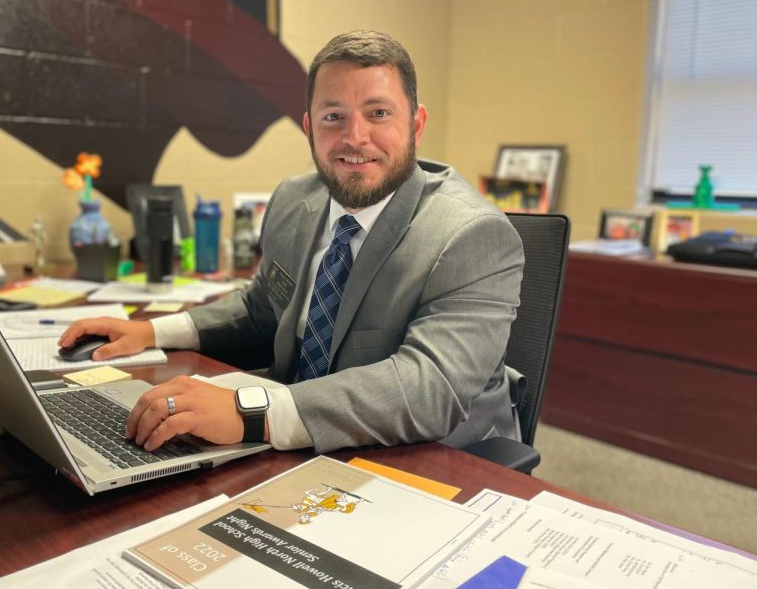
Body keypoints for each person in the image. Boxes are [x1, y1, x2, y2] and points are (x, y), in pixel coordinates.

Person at [59, 30, 524, 455]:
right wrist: (153, 332)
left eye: (378, 113)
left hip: (434, 458)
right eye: (333, 117)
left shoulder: (471, 235)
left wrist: (251, 413)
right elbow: (262, 307)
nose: (354, 137)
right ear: (309, 128)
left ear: (417, 125)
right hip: (305, 442)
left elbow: (431, 389)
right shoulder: (293, 200)